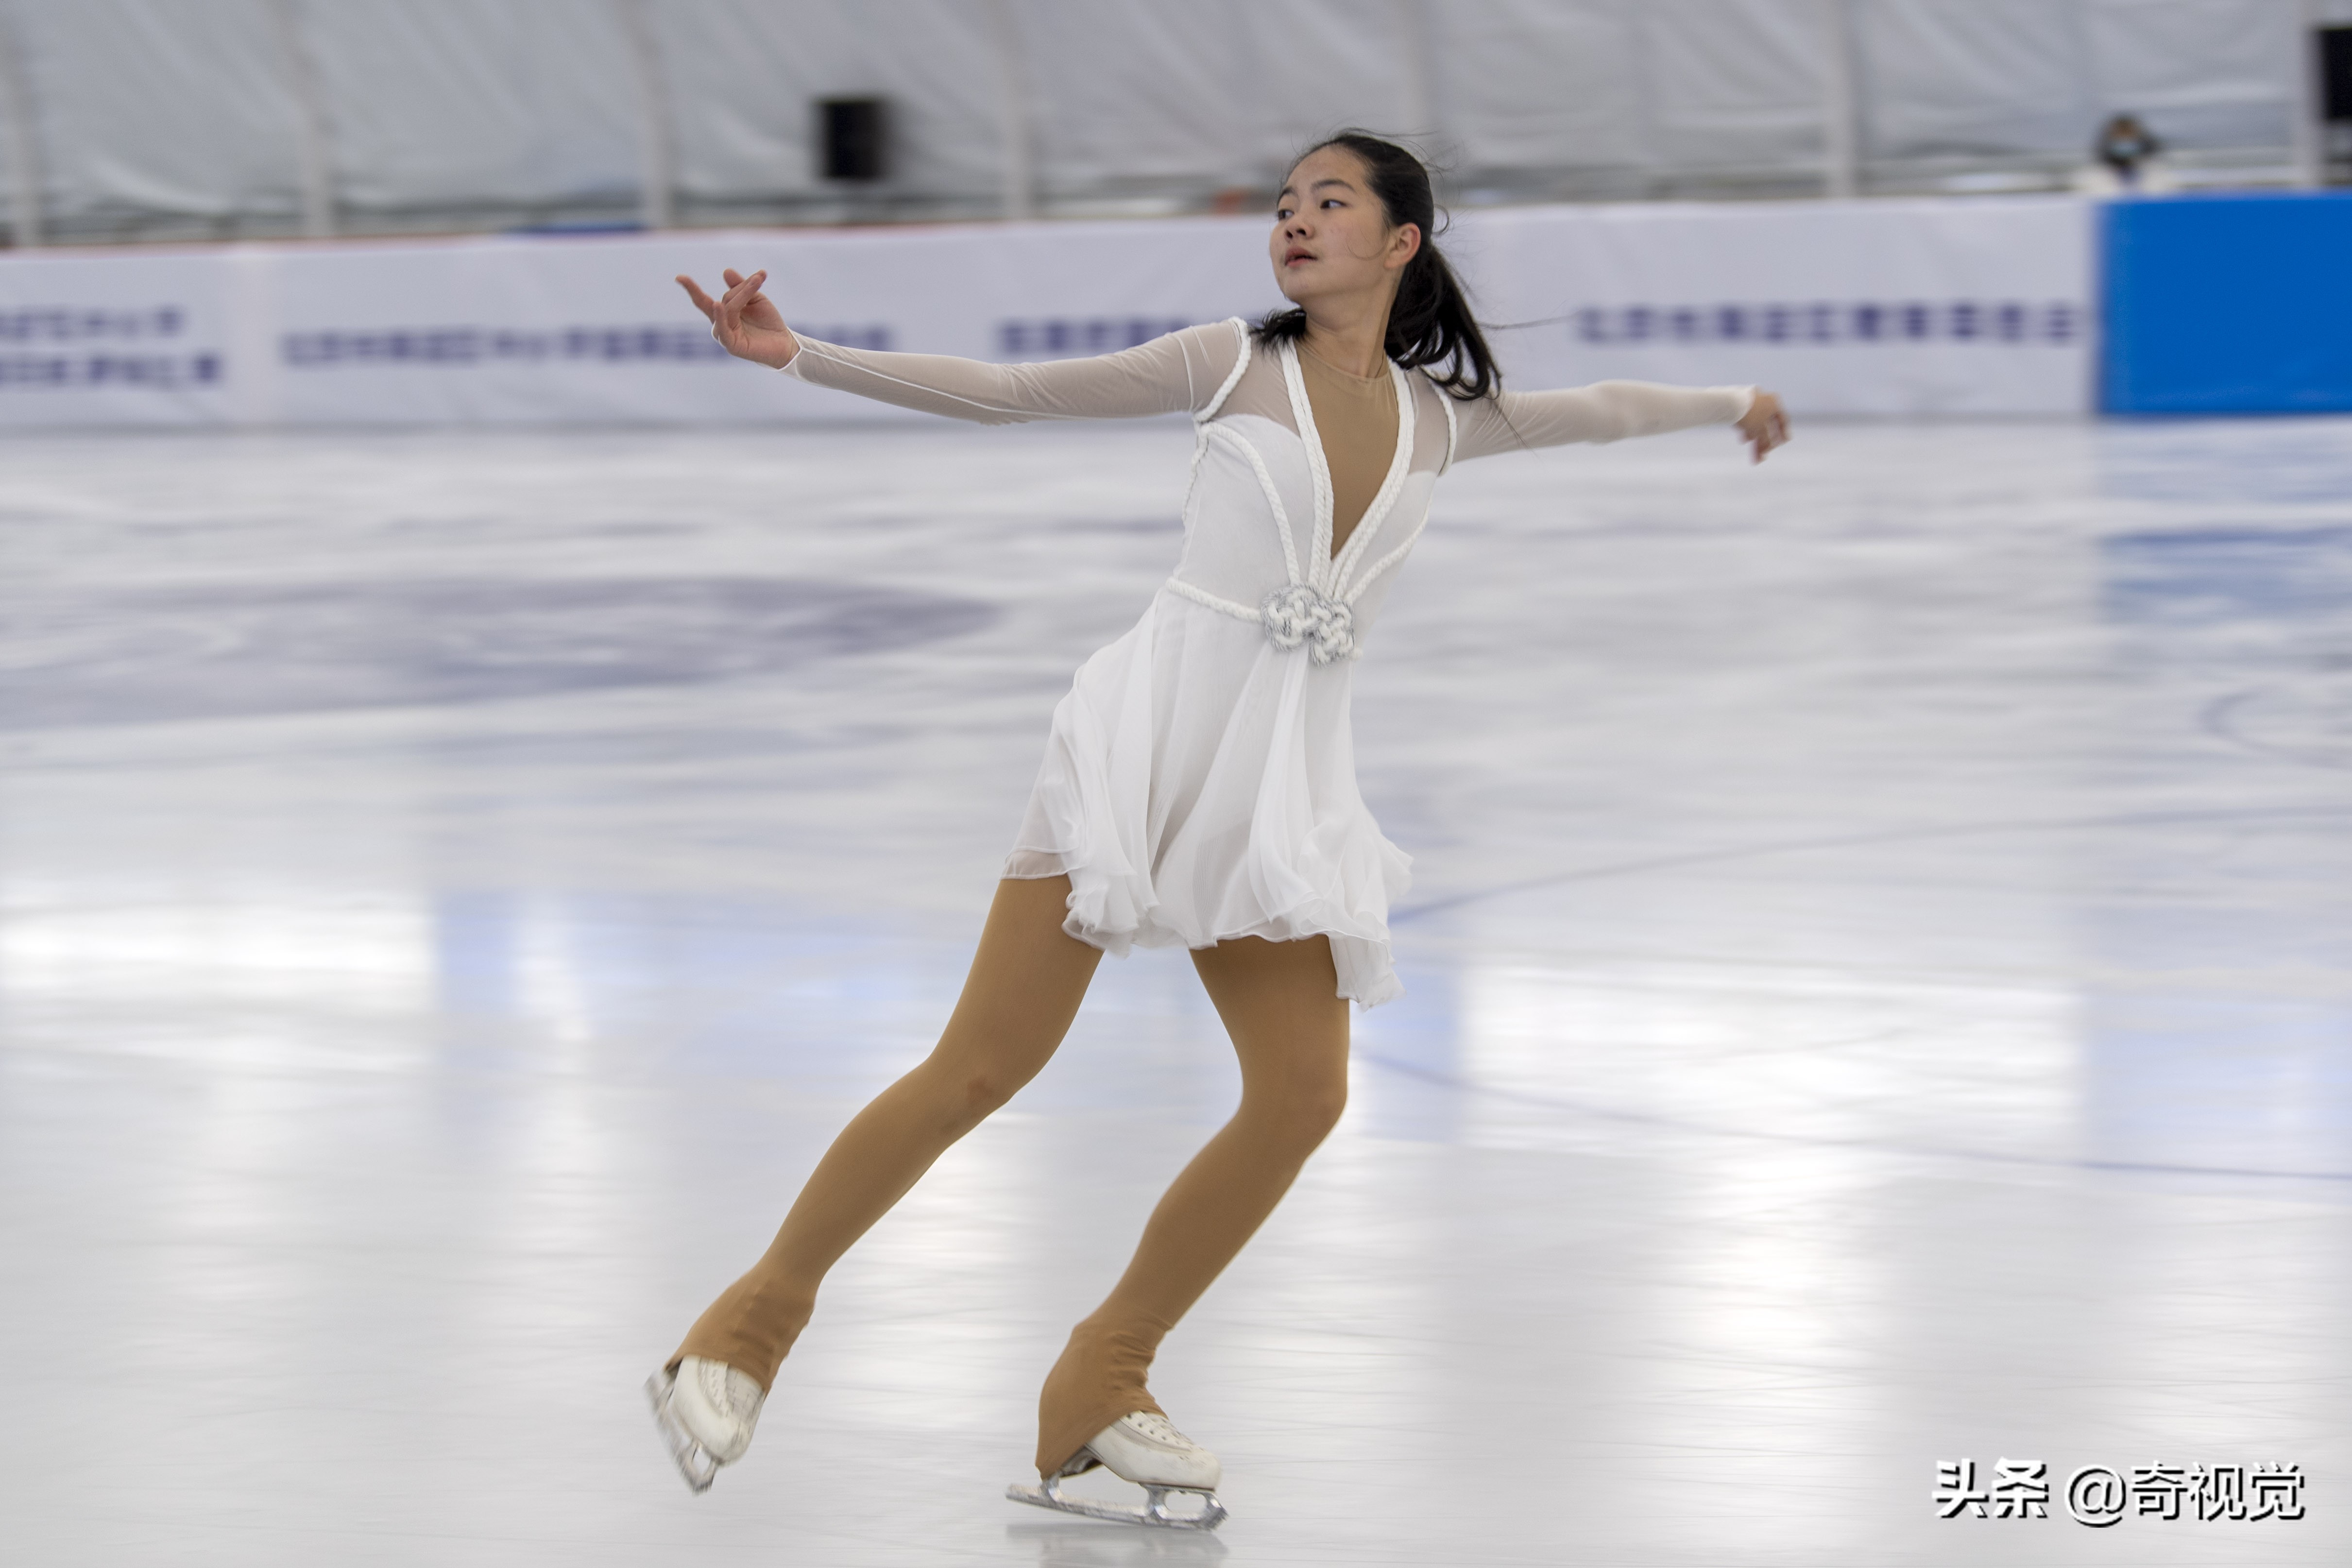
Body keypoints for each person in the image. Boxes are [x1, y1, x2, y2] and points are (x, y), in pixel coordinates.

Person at [647, 130, 1790, 1528]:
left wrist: (1733, 399)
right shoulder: (1232, 364)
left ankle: (1099, 1381)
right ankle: (745, 1327)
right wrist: (796, 354)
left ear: (1401, 243)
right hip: (1147, 743)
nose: (1294, 221)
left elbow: (1601, 409)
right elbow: (1012, 395)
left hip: (1277, 784)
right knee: (983, 1064)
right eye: (1286, 204)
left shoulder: (1440, 420)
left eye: (1330, 202)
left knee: (1302, 1096)